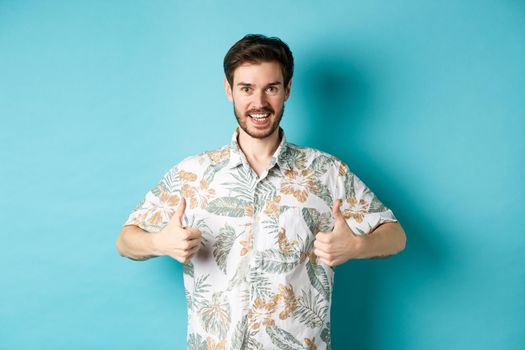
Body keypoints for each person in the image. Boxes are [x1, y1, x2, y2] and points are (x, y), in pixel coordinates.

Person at [116, 34, 406, 350]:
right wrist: (159, 241)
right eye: (247, 89)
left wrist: (356, 246)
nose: (260, 103)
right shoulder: (192, 173)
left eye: (271, 88)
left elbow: (396, 236)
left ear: (288, 90)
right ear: (229, 91)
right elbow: (126, 240)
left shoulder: (326, 172)